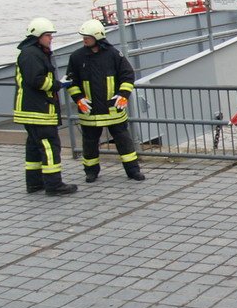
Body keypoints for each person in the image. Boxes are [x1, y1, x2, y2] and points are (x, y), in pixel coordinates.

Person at [65, 19, 145, 183]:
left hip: (113, 110)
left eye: (87, 37)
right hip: (90, 111)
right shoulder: (77, 57)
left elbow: (127, 75)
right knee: (89, 143)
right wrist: (79, 99)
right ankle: (91, 172)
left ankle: (133, 171)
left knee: (124, 142)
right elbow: (72, 81)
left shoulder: (114, 55)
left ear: (97, 36)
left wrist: (123, 94)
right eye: (83, 37)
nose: (84, 40)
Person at [13, 18, 78, 196]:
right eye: (48, 35)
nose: (51, 39)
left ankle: (34, 183)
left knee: (34, 147)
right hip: (38, 111)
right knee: (50, 146)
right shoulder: (32, 54)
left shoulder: (30, 53)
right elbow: (37, 80)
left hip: (31, 110)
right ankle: (54, 185)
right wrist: (59, 84)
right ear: (37, 36)